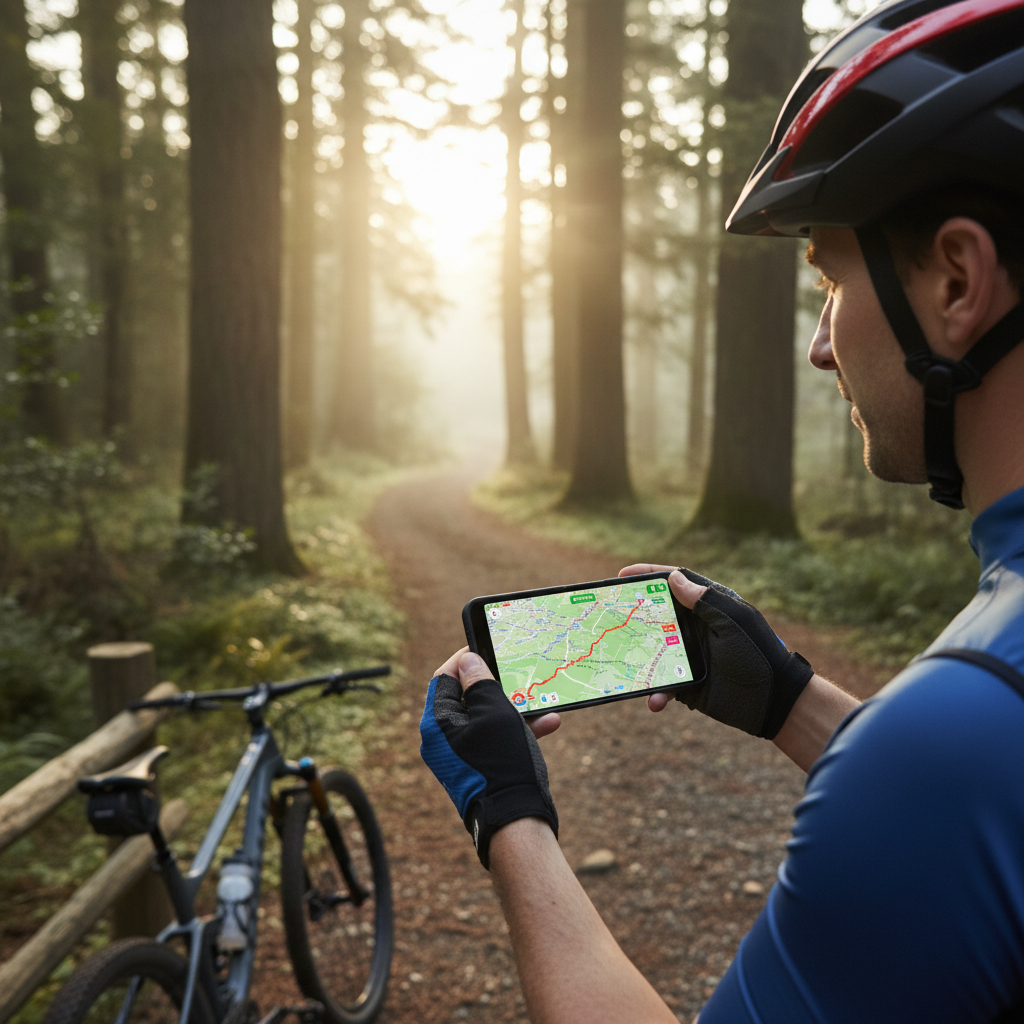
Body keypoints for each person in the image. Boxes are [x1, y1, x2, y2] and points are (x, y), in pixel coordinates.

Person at [421, 2, 1024, 1020]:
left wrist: (508, 812)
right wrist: (788, 697)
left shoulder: (953, 742)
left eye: (830, 279)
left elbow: (964, 787)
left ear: (957, 281)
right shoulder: (975, 735)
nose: (821, 347)